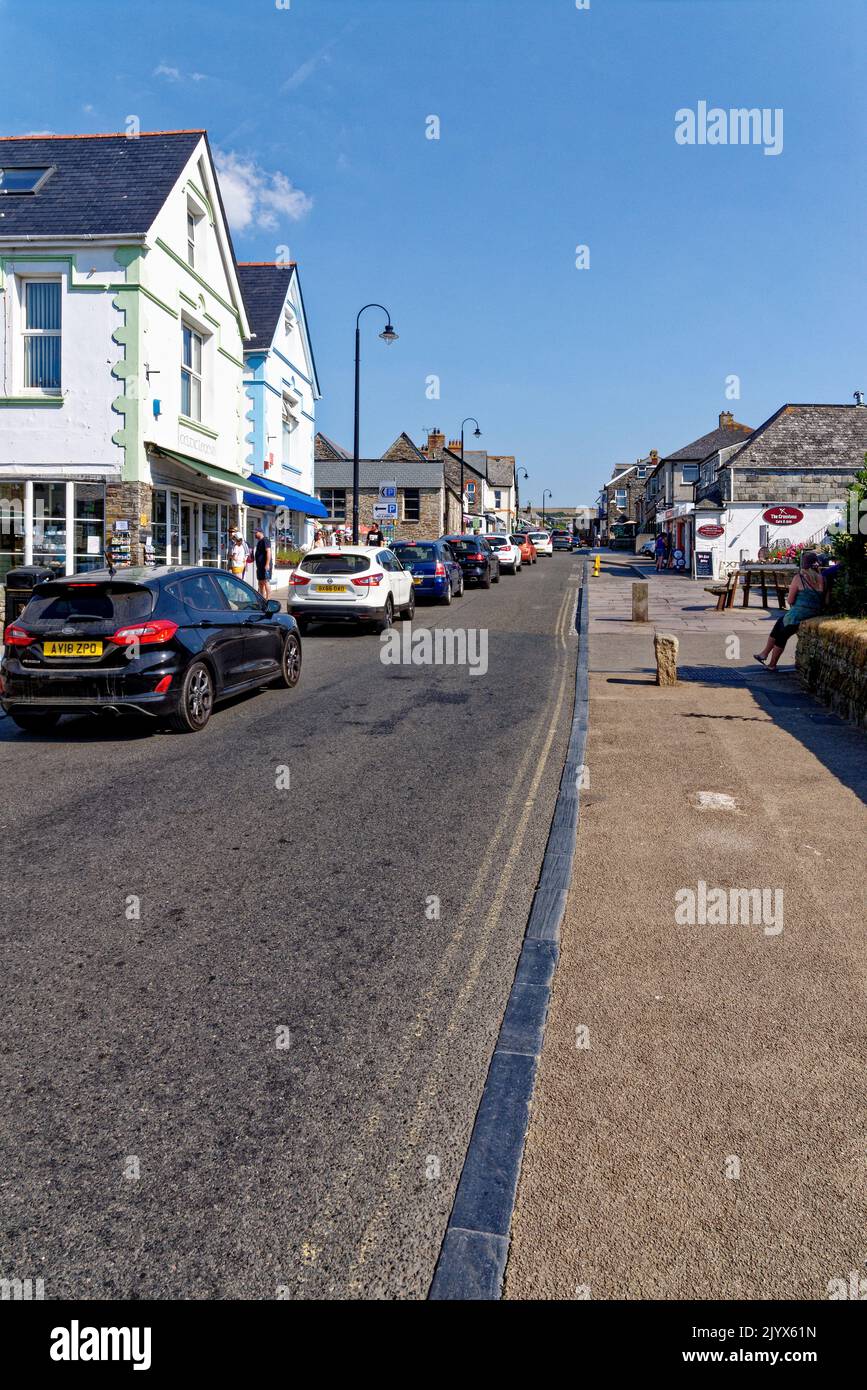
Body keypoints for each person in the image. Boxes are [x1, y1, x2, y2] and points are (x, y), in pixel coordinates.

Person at [754, 550, 826, 670]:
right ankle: (764, 654)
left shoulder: (799, 578)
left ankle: (771, 664)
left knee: (782, 633)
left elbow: (790, 600)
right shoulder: (822, 579)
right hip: (816, 612)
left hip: (800, 614)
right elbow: (826, 600)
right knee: (780, 623)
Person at [254, 527, 272, 599]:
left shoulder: (265, 540)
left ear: (260, 532)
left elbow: (268, 551)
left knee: (266, 582)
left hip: (265, 566)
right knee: (260, 582)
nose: (254, 534)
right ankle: (262, 598)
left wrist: (267, 564)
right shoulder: (259, 542)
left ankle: (268, 599)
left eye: (256, 533)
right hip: (260, 566)